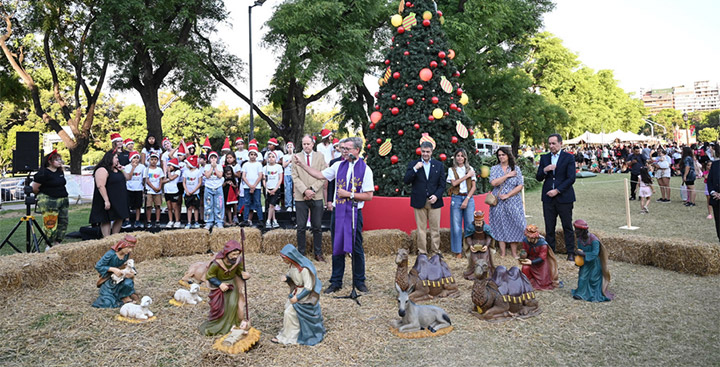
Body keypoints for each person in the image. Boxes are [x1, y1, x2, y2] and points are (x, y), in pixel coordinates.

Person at [294, 137, 374, 294]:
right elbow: (319, 175)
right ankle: (336, 281)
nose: (343, 152)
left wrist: (349, 194)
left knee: (356, 247)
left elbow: (369, 195)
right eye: (342, 149)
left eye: (347, 149)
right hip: (339, 212)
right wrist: (302, 164)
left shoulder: (365, 170)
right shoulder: (338, 165)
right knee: (337, 246)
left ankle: (359, 281)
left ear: (357, 150)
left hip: (353, 212)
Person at [272, 244, 326, 346]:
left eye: (284, 258)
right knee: (287, 308)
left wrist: (298, 298)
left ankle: (290, 337)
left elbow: (308, 287)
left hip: (304, 295)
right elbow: (293, 278)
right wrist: (287, 279)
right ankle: (286, 333)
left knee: (289, 313)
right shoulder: (292, 266)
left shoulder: (304, 270)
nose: (283, 261)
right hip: (296, 292)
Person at [535, 133, 577, 261]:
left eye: (554, 143)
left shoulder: (568, 158)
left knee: (567, 226)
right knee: (549, 227)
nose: (551, 146)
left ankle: (570, 252)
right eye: (550, 144)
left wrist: (557, 190)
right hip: (548, 199)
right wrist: (545, 169)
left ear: (560, 143)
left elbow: (571, 178)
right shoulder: (544, 158)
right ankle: (550, 252)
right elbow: (538, 177)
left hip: (564, 198)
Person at [200, 240, 251, 336]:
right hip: (219, 288)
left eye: (237, 254)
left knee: (232, 304)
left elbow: (240, 272)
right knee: (219, 307)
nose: (235, 256)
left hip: (232, 285)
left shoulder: (237, 261)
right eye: (233, 254)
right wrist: (220, 284)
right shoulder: (216, 263)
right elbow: (210, 276)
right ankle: (219, 325)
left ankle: (232, 324)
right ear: (227, 253)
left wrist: (245, 275)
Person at [404, 141, 446, 255]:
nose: (425, 154)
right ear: (420, 151)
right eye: (423, 151)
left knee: (435, 229)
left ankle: (436, 252)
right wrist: (415, 169)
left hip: (434, 202)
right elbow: (406, 180)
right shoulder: (414, 164)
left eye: (428, 152)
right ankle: (422, 252)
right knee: (421, 229)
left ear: (432, 152)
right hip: (419, 201)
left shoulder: (438, 165)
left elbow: (442, 185)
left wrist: (436, 196)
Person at [292, 135, 328, 260]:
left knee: (317, 226)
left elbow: (323, 175)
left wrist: (312, 190)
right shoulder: (295, 157)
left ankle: (318, 252)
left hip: (316, 195)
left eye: (308, 144)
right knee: (301, 226)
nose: (306, 146)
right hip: (301, 196)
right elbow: (294, 177)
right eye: (304, 144)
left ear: (313, 144)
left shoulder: (320, 157)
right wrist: (305, 191)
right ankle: (301, 253)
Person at [489, 147, 527, 258]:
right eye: (499, 155)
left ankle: (514, 253)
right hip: (498, 202)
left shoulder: (516, 169)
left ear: (508, 155)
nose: (501, 157)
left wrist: (508, 195)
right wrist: (506, 176)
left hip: (513, 201)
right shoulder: (494, 169)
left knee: (514, 225)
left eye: (503, 155)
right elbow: (494, 183)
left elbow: (520, 185)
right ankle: (503, 253)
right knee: (500, 225)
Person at [31, 149, 69, 248]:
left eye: (60, 159)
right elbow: (35, 188)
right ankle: (49, 244)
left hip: (62, 200)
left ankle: (58, 242)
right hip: (50, 201)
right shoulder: (43, 173)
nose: (60, 161)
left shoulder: (60, 172)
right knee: (51, 222)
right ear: (50, 161)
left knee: (63, 221)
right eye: (57, 160)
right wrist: (43, 197)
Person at [89, 150, 129, 237]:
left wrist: (122, 170)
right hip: (107, 198)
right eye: (116, 157)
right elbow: (100, 185)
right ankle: (107, 238)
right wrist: (106, 200)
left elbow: (128, 178)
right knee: (106, 219)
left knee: (120, 217)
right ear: (109, 158)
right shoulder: (102, 169)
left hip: (119, 199)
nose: (118, 159)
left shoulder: (117, 169)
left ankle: (114, 237)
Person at [92, 235, 139, 308]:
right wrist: (113, 269)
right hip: (109, 281)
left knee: (128, 283)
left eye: (132, 248)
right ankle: (119, 299)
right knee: (107, 303)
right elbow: (98, 266)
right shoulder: (111, 254)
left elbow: (128, 264)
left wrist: (132, 272)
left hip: (121, 278)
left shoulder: (126, 254)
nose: (130, 250)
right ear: (122, 245)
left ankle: (125, 296)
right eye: (129, 248)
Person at [572, 220, 613, 302]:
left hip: (594, 263)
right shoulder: (579, 239)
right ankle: (580, 293)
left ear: (583, 230)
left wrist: (583, 254)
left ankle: (593, 294)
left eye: (577, 230)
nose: (575, 231)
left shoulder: (594, 240)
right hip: (586, 262)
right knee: (582, 277)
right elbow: (580, 250)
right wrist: (577, 257)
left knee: (593, 279)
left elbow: (595, 254)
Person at [447, 148, 476, 258]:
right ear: (455, 157)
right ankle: (457, 251)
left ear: (465, 157)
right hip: (456, 198)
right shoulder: (452, 170)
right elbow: (454, 183)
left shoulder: (470, 168)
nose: (460, 157)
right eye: (458, 155)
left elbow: (473, 187)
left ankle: (469, 249)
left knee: (470, 225)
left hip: (468, 198)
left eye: (462, 155)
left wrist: (467, 199)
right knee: (456, 226)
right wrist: (467, 176)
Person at [519, 224, 559, 291]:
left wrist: (531, 262)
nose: (528, 239)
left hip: (541, 264)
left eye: (530, 238)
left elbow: (542, 258)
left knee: (543, 283)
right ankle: (526, 283)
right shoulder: (525, 241)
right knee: (525, 268)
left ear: (535, 237)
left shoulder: (542, 244)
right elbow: (525, 250)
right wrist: (523, 254)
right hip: (530, 259)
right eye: (527, 237)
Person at [241, 146, 264, 226]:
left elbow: (260, 176)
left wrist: (253, 186)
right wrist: (250, 186)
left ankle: (260, 219)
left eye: (254, 154)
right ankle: (245, 220)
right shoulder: (245, 165)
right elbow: (243, 176)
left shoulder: (258, 164)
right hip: (247, 187)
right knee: (247, 203)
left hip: (256, 187)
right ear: (249, 155)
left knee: (258, 203)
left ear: (256, 156)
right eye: (251, 154)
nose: (253, 156)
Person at [123, 151, 145, 228]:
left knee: (138, 206)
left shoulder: (142, 167)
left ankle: (137, 220)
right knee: (127, 205)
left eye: (137, 158)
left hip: (138, 189)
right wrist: (133, 168)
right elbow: (128, 177)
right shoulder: (127, 167)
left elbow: (144, 178)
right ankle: (127, 220)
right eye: (134, 158)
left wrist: (143, 188)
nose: (136, 160)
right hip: (129, 188)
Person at [203, 151, 225, 230]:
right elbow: (207, 176)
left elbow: (220, 175)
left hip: (218, 187)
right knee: (208, 205)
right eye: (211, 158)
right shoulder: (207, 166)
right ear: (209, 159)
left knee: (219, 205)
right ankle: (209, 221)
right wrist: (211, 167)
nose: (213, 159)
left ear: (217, 159)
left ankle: (219, 221)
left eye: (214, 158)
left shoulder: (219, 166)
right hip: (208, 187)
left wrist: (215, 167)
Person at [143, 152, 164, 228]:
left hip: (158, 191)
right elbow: (147, 180)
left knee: (157, 206)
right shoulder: (146, 169)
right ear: (148, 160)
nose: (153, 161)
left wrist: (159, 187)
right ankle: (149, 220)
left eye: (155, 159)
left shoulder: (159, 170)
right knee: (149, 206)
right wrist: (154, 188)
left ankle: (157, 220)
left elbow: (161, 179)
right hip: (149, 191)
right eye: (152, 159)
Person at [263, 151, 283, 229]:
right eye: (269, 157)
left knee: (272, 205)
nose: (271, 158)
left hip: (276, 188)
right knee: (271, 205)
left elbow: (280, 178)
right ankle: (274, 220)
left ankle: (268, 221)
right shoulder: (265, 168)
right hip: (268, 189)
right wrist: (266, 189)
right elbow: (264, 179)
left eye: (273, 157)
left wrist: (275, 189)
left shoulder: (278, 167)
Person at [183, 155, 203, 229]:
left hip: (195, 193)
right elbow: (184, 182)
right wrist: (187, 191)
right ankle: (189, 222)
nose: (186, 165)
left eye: (187, 163)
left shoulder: (198, 172)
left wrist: (193, 191)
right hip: (187, 193)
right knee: (189, 207)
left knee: (196, 208)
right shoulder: (185, 172)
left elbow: (199, 182)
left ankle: (196, 221)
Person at [164, 158, 182, 228]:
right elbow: (164, 180)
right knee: (169, 207)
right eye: (168, 166)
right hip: (167, 191)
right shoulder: (168, 173)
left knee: (175, 207)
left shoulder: (177, 172)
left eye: (170, 166)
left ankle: (177, 221)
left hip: (173, 191)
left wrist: (168, 172)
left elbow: (171, 178)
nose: (169, 167)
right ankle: (170, 220)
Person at [708, 146, 720, 242]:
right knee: (718, 224)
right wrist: (713, 192)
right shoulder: (715, 164)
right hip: (716, 199)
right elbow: (710, 181)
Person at [282, 142, 295, 211]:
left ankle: (295, 204)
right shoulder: (285, 156)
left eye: (291, 147)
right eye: (288, 147)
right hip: (287, 174)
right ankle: (288, 205)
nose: (290, 149)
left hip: (294, 174)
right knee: (288, 189)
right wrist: (289, 161)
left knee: (295, 190)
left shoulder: (295, 155)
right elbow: (284, 165)